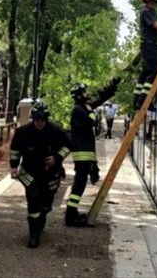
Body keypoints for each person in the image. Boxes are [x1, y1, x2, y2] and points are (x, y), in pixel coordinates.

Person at [9, 100, 71, 248]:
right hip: (30, 171)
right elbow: (15, 150)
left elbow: (69, 145)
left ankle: (42, 216)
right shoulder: (23, 132)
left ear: (46, 118)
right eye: (37, 119)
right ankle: (33, 234)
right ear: (33, 118)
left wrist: (56, 158)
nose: (39, 123)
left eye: (42, 120)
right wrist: (14, 166)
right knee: (33, 198)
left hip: (51, 173)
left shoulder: (56, 131)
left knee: (46, 203)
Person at [65, 82, 102, 227]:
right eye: (85, 92)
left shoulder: (79, 109)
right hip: (83, 154)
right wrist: (92, 112)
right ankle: (70, 215)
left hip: (85, 153)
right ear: (79, 95)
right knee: (79, 185)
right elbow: (91, 122)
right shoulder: (79, 110)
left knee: (80, 184)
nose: (88, 94)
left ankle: (72, 212)